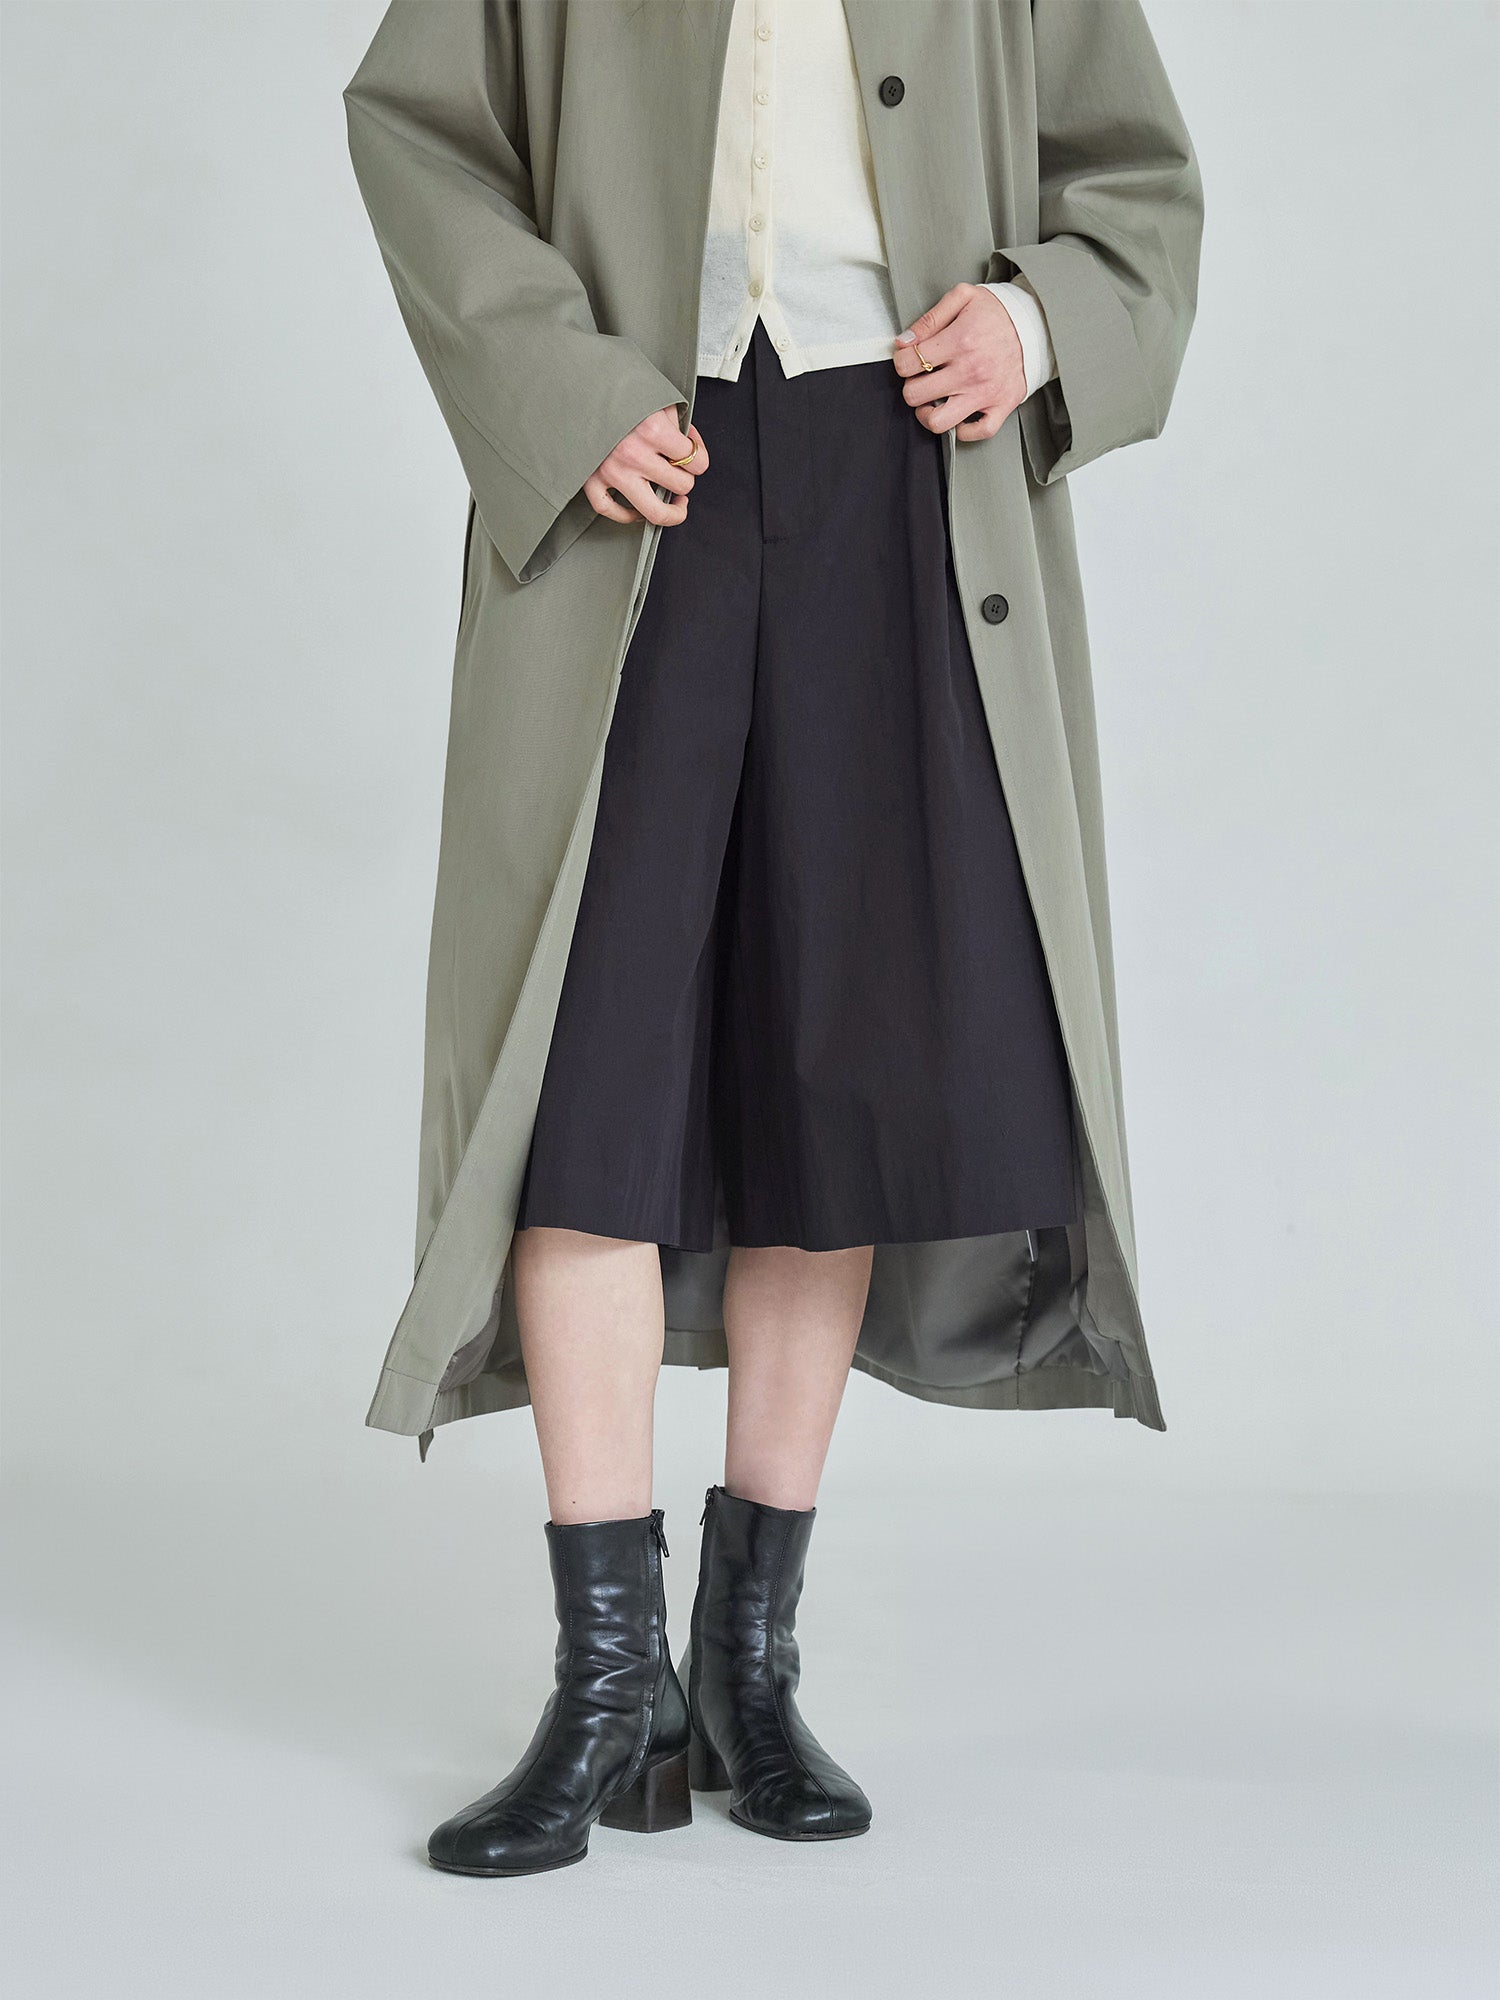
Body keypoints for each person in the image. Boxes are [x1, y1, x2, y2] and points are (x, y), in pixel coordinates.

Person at [344, 0, 1202, 1877]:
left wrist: (1040, 318)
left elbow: (1136, 183)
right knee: (587, 1061)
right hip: (635, 472)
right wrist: (556, 383)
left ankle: (745, 1667)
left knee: (838, 1061)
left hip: (901, 476)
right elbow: (420, 128)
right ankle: (607, 1690)